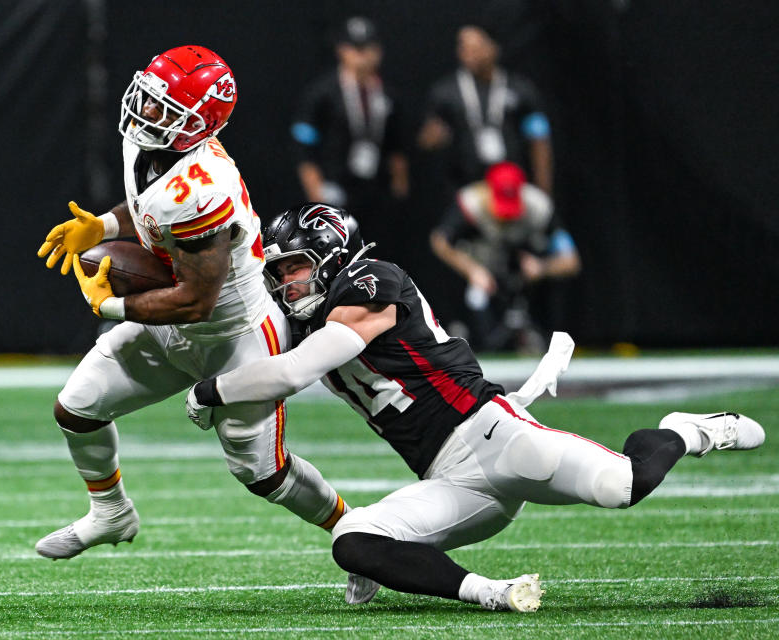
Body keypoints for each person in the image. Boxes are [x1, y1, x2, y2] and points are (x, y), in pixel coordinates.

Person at [185, 203, 765, 611]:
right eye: (279, 272)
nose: (286, 282)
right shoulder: (314, 317)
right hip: (449, 477)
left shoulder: (371, 282)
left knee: (624, 485)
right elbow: (273, 362)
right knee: (354, 542)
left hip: (493, 434)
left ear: (331, 255)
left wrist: (211, 389)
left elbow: (293, 372)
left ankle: (686, 432)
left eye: (294, 267)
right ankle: (488, 592)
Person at [33, 46, 350, 561]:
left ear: (197, 123)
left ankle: (355, 529)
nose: (143, 111)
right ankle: (110, 512)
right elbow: (147, 210)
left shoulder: (200, 189)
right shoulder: (149, 145)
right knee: (77, 408)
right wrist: (106, 226)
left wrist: (109, 306)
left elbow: (195, 302)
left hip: (236, 335)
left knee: (263, 473)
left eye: (161, 107)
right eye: (147, 97)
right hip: (180, 319)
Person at [429, 161, 580, 352]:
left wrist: (542, 267)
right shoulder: (470, 203)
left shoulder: (539, 207)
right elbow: (439, 241)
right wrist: (472, 270)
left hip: (523, 278)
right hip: (480, 271)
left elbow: (571, 261)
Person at [290, 16, 408, 221]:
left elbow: (396, 144)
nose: (361, 56)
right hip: (333, 187)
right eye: (355, 48)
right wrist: (315, 190)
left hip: (374, 189)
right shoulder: (322, 94)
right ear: (341, 50)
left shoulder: (387, 95)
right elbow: (304, 145)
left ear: (378, 51)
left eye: (367, 48)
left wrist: (399, 184)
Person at [417, 25, 553, 194]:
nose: (469, 54)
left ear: (493, 48)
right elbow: (425, 140)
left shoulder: (520, 90)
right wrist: (432, 137)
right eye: (464, 48)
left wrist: (543, 187)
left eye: (476, 48)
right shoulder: (445, 93)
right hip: (464, 188)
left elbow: (539, 139)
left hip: (513, 187)